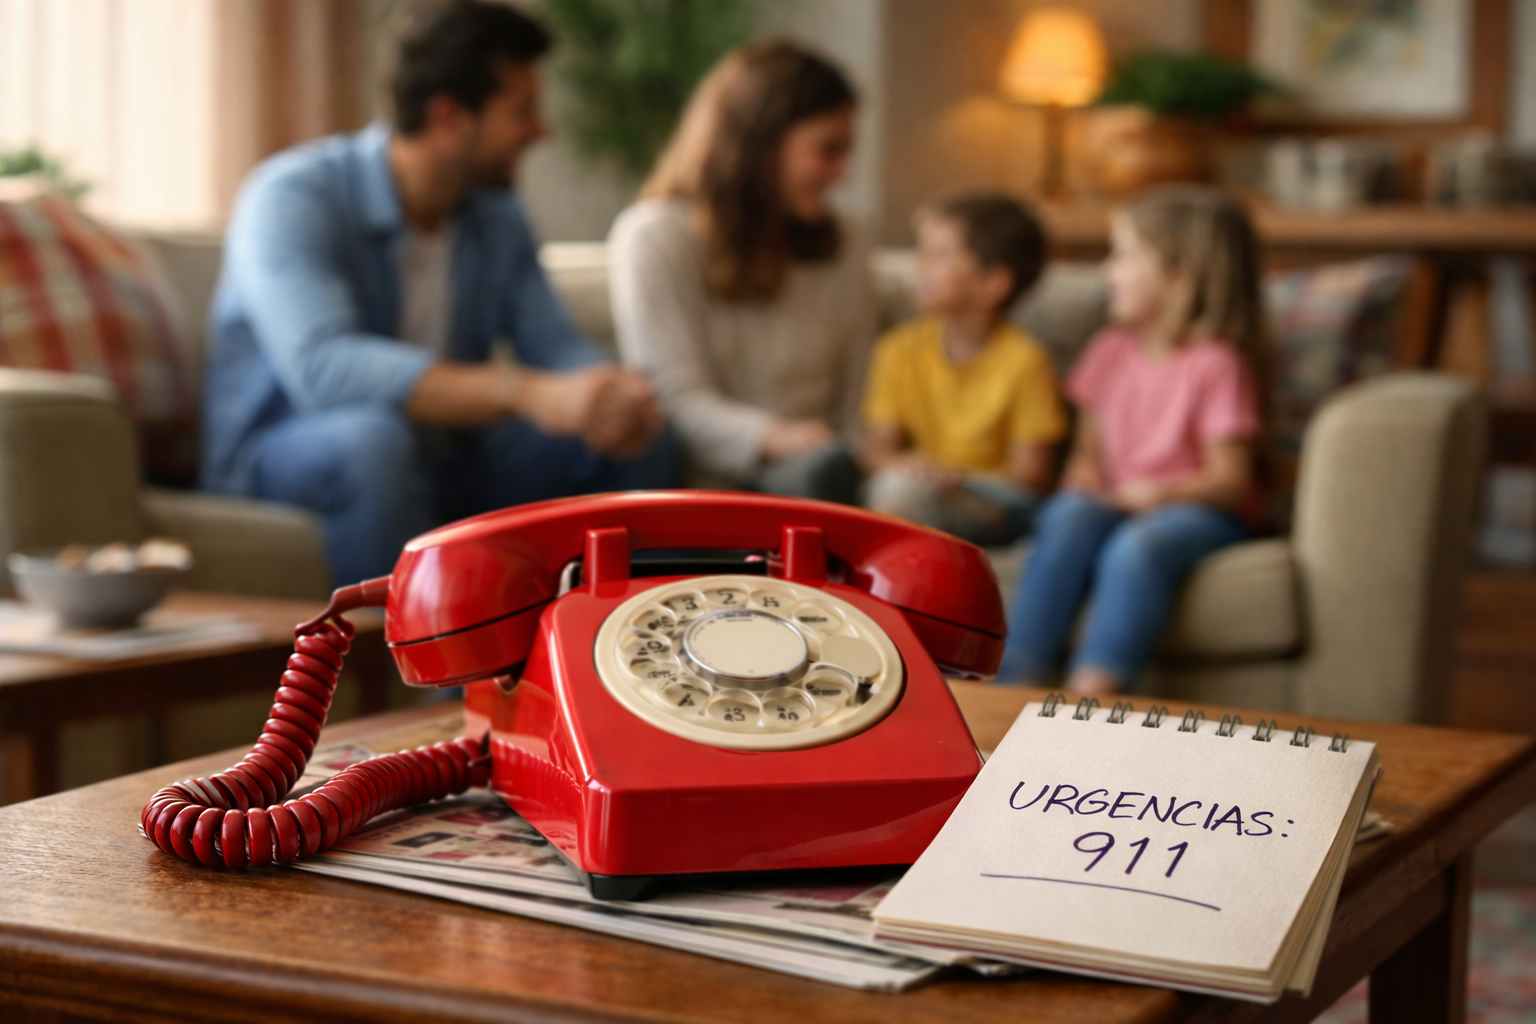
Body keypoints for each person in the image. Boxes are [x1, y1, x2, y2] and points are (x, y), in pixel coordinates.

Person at [202, 1, 674, 586]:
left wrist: (610, 394)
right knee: (376, 441)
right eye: (522, 111)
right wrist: (520, 391)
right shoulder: (292, 195)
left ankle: (610, 662)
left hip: (443, 452)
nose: (540, 131)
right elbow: (323, 368)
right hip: (284, 447)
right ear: (449, 116)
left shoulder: (495, 218)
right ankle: (400, 673)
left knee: (638, 437)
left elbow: (555, 344)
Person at [1000, 186, 1267, 696]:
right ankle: (1017, 682)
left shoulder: (1216, 363)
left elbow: (1231, 480)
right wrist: (1085, 480)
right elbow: (1086, 453)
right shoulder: (1109, 351)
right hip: (1120, 501)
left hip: (1193, 509)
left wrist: (1160, 494)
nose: (1107, 273)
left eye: (1122, 256)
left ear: (1179, 275)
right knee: (1067, 514)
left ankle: (1095, 693)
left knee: (1138, 547)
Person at [608, 39, 874, 504]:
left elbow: (860, 397)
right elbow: (673, 399)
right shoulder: (653, 237)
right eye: (828, 150)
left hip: (833, 481)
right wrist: (778, 438)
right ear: (761, 142)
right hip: (708, 490)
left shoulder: (846, 244)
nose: (842, 173)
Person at [860, 193, 1064, 546]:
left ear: (993, 283)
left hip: (995, 499)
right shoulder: (898, 349)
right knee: (895, 487)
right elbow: (877, 451)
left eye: (938, 256)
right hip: (922, 488)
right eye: (922, 253)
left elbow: (1032, 477)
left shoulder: (1026, 360)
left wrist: (959, 477)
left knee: (902, 495)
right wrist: (907, 464)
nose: (920, 267)